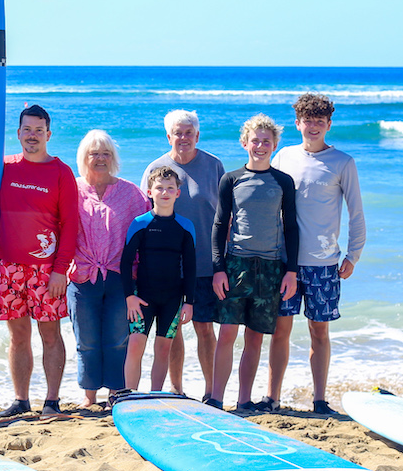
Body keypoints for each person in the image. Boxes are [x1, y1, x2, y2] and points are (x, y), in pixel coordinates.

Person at [262, 93, 366, 416]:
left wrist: (354, 253)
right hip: (285, 262)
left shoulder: (343, 162)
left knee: (318, 331)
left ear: (329, 125)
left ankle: (320, 399)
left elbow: (356, 211)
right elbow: (267, 205)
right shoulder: (283, 158)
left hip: (324, 263)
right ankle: (272, 396)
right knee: (281, 329)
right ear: (298, 123)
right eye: (308, 120)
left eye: (320, 121)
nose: (314, 126)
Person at [0, 104, 79, 417]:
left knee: (50, 335)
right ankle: (21, 400)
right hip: (8, 266)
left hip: (46, 270)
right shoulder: (3, 167)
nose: (32, 136)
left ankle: (52, 401)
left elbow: (70, 225)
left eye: (38, 131)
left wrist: (60, 272)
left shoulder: (61, 172)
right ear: (18, 133)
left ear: (48, 134)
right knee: (17, 337)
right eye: (27, 130)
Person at [208, 114, 298, 410]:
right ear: (244, 142)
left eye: (266, 141)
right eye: (255, 140)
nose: (260, 146)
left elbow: (291, 228)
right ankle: (216, 398)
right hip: (236, 265)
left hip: (270, 268)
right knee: (227, 334)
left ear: (275, 145)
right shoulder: (231, 179)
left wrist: (291, 272)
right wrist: (218, 268)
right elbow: (220, 225)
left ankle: (244, 400)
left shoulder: (283, 181)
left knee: (255, 338)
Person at [141, 110, 225, 400]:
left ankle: (212, 392)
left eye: (189, 132)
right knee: (171, 331)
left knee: (204, 328)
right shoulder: (156, 168)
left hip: (204, 264)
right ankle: (176, 389)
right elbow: (144, 218)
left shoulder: (214, 166)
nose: (183, 138)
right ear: (168, 136)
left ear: (197, 135)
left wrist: (222, 264)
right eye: (178, 133)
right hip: (166, 268)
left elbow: (228, 216)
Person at [67, 129, 149, 406]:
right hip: (81, 275)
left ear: (113, 158)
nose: (100, 159)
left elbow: (146, 230)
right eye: (94, 154)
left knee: (117, 339)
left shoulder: (129, 192)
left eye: (106, 154)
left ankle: (116, 392)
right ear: (83, 157)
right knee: (86, 340)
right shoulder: (72, 190)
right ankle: (89, 397)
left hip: (119, 277)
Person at [121, 167, 196, 391]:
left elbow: (190, 267)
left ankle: (155, 394)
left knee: (163, 348)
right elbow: (125, 263)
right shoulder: (139, 223)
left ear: (178, 193)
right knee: (135, 345)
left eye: (170, 188)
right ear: (149, 192)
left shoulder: (185, 226)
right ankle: (129, 394)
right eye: (160, 188)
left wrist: (189, 302)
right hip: (142, 296)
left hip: (172, 298)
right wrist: (129, 297)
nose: (165, 192)